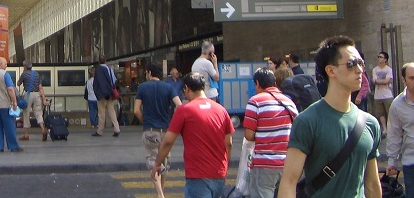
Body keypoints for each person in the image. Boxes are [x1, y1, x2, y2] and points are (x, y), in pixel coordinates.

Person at [278, 35, 382, 198]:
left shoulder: (370, 123)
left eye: (360, 63)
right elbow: (289, 181)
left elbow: (372, 185)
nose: (359, 70)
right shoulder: (308, 121)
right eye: (351, 64)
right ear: (331, 70)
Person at [150, 72, 234, 197]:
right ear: (204, 88)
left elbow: (168, 141)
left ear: (186, 89)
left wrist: (157, 164)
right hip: (219, 175)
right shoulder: (221, 110)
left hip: (198, 175)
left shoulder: (184, 110)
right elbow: (229, 143)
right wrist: (225, 165)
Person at [243, 67, 298, 198]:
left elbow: (249, 135)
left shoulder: (255, 101)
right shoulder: (288, 102)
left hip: (265, 164)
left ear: (257, 83)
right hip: (288, 163)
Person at [134, 63, 181, 195]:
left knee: (154, 163)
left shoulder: (143, 87)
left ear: (149, 73)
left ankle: (160, 194)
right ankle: (162, 191)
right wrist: (173, 122)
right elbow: (179, 105)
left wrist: (145, 121)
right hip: (166, 131)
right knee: (164, 162)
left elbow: (136, 110)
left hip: (150, 130)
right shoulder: (169, 87)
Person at [387, 62, 414, 198]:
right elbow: (394, 134)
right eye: (412, 78)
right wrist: (392, 161)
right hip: (411, 162)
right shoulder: (397, 105)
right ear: (403, 80)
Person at [17, 60, 48, 141]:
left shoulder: (24, 74)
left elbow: (18, 84)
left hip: (28, 95)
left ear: (25, 67)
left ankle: (26, 135)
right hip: (37, 95)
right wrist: (44, 99)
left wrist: (23, 75)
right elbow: (40, 87)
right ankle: (42, 129)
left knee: (26, 113)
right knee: (38, 113)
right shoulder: (36, 74)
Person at [92, 55, 121, 137]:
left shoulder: (98, 70)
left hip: (102, 96)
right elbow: (114, 80)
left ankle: (100, 131)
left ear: (99, 61)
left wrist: (98, 94)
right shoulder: (109, 69)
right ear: (105, 60)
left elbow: (96, 84)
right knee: (112, 112)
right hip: (110, 94)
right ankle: (117, 129)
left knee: (101, 113)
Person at [373, 51, 394, 136]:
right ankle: (384, 129)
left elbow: (387, 80)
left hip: (387, 94)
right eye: (378, 57)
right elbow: (374, 80)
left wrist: (380, 81)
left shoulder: (388, 69)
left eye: (381, 57)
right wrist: (382, 81)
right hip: (378, 95)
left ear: (385, 59)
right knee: (380, 113)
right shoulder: (375, 69)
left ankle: (391, 129)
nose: (379, 58)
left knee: (389, 112)